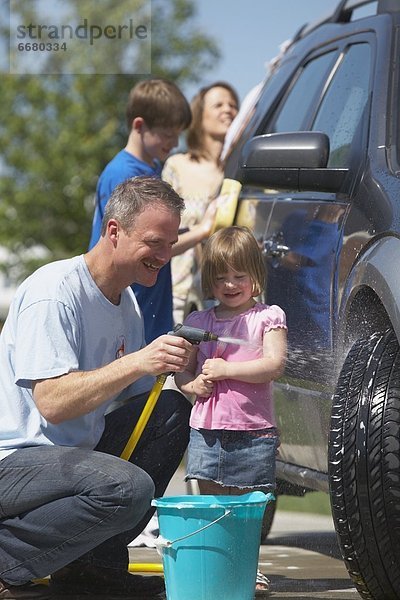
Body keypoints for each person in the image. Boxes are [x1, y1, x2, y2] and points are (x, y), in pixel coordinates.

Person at [0, 176, 193, 599]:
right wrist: (136, 360)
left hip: (67, 459)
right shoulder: (54, 292)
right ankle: (6, 556)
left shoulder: (127, 302)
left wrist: (193, 378)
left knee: (171, 412)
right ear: (113, 232)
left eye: (170, 242)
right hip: (14, 461)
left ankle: (94, 568)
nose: (165, 256)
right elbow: (52, 403)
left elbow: (136, 391)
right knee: (127, 488)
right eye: (155, 242)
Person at [174, 226, 287, 597]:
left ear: (256, 276)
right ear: (209, 280)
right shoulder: (198, 323)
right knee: (212, 505)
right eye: (221, 277)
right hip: (207, 430)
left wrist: (226, 370)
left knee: (246, 508)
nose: (230, 283)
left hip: (253, 430)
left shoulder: (266, 317)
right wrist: (192, 386)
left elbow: (273, 365)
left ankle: (248, 569)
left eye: (239, 275)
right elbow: (183, 372)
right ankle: (219, 567)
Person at [89, 78, 216, 343]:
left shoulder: (152, 170)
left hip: (149, 312)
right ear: (139, 125)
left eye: (178, 133)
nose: (175, 141)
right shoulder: (124, 175)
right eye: (168, 134)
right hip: (129, 315)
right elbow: (150, 243)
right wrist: (203, 230)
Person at [162, 81, 239, 324]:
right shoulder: (178, 166)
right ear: (200, 115)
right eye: (218, 105)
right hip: (178, 295)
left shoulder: (240, 171)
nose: (228, 110)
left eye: (233, 105)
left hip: (228, 298)